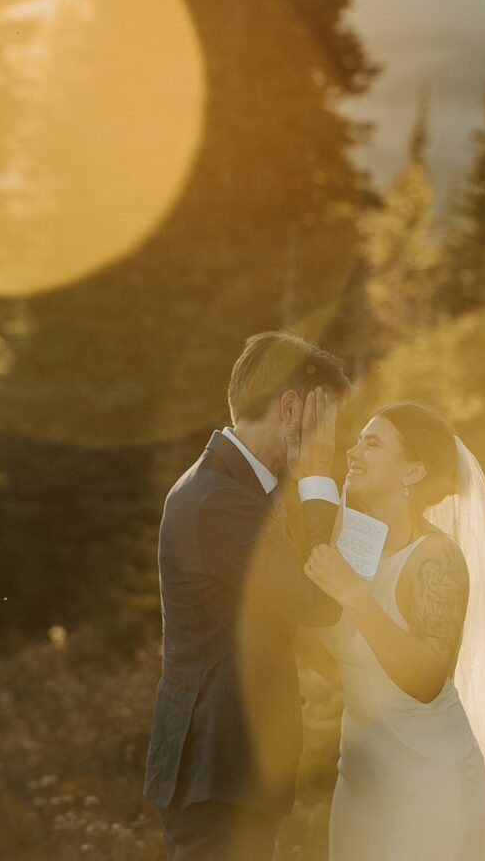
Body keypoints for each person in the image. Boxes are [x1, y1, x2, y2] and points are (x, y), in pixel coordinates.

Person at [304, 401, 485, 861]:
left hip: (429, 782)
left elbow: (426, 680)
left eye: (372, 442)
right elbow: (336, 655)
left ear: (413, 471)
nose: (353, 451)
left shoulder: (436, 558)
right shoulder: (354, 540)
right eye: (357, 439)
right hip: (358, 782)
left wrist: (355, 595)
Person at [144, 331, 350, 861]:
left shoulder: (241, 490)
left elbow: (273, 614)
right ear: (290, 408)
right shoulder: (219, 500)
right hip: (218, 770)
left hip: (230, 770)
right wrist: (318, 477)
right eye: (323, 420)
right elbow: (316, 598)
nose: (328, 437)